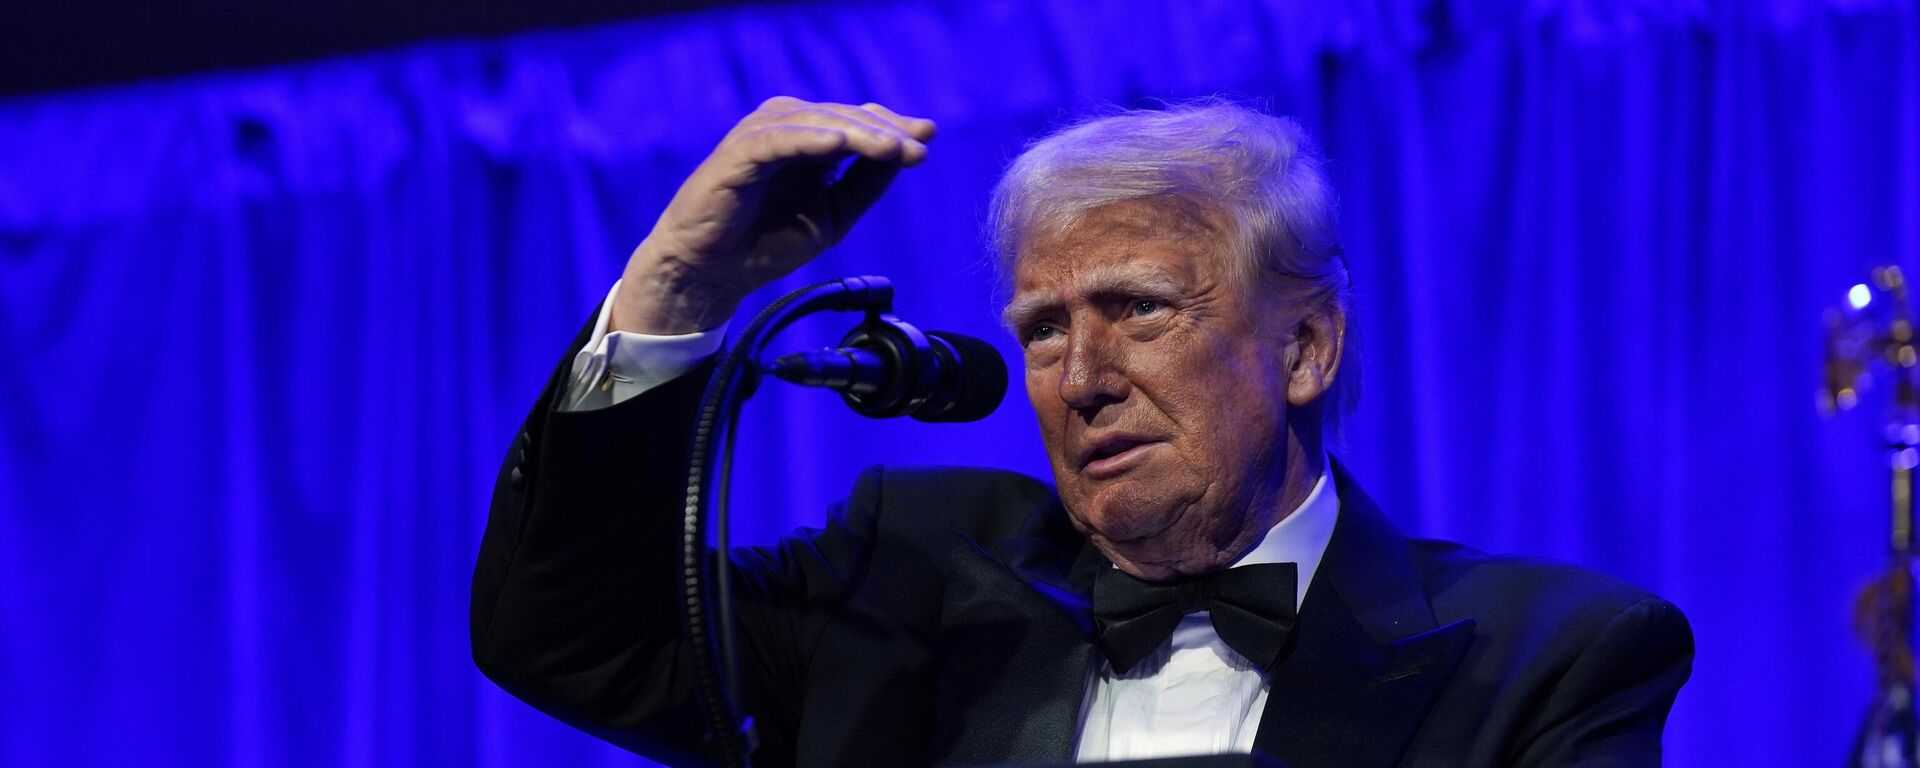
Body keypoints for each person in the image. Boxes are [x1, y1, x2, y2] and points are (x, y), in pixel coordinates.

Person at [470, 96, 1693, 767]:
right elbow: (572, 638)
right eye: (1043, 330)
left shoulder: (1550, 662)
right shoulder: (904, 584)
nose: (1082, 378)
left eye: (1141, 310)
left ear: (1306, 348)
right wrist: (674, 295)